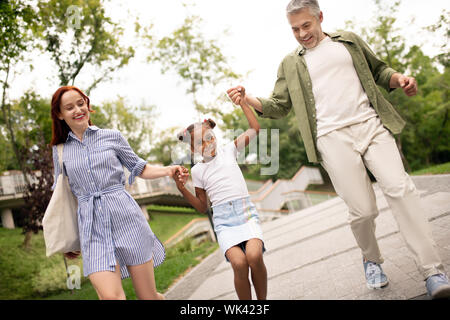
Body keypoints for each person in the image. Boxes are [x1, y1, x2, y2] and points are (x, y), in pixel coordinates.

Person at [227, 0, 450, 299]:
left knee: (401, 188)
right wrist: (248, 98)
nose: (302, 33)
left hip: (370, 125)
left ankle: (431, 270)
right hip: (331, 138)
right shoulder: (290, 63)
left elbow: (380, 71)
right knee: (362, 209)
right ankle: (371, 258)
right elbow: (278, 106)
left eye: (307, 25)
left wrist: (400, 79)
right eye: (295, 29)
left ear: (320, 17)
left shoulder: (349, 42)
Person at [50, 86, 189, 300]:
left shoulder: (111, 137)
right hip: (92, 230)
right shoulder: (60, 151)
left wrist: (168, 170)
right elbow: (64, 196)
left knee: (148, 297)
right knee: (111, 297)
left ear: (87, 104)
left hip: (127, 221)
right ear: (59, 114)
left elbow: (139, 167)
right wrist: (71, 239)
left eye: (81, 103)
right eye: (69, 107)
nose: (78, 110)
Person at [173, 98, 268, 300]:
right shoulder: (198, 171)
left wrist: (243, 103)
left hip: (245, 214)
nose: (207, 144)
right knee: (239, 264)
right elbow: (201, 206)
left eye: (210, 137)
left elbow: (255, 128)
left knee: (254, 256)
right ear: (192, 150)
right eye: (200, 143)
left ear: (214, 135)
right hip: (224, 222)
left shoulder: (229, 150)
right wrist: (182, 188)